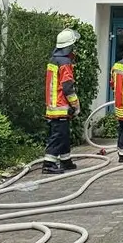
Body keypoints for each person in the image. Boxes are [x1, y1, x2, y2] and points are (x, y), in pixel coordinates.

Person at [42, 28, 83, 174]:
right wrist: (75, 104)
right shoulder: (65, 62)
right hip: (60, 105)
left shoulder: (53, 60)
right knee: (58, 136)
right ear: (69, 46)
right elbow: (67, 87)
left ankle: (65, 161)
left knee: (64, 135)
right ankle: (49, 164)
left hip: (52, 105)